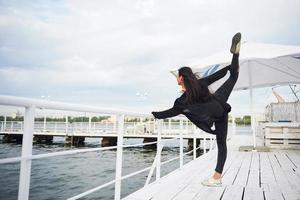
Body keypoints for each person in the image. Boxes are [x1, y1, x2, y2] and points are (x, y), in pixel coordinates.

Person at [151, 32, 241, 187]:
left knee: (221, 143)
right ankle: (236, 55)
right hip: (219, 101)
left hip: (216, 115)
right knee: (234, 77)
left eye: (177, 76)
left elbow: (171, 112)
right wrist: (227, 69)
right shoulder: (200, 84)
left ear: (180, 78)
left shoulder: (182, 101)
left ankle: (217, 178)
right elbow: (215, 77)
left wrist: (155, 115)